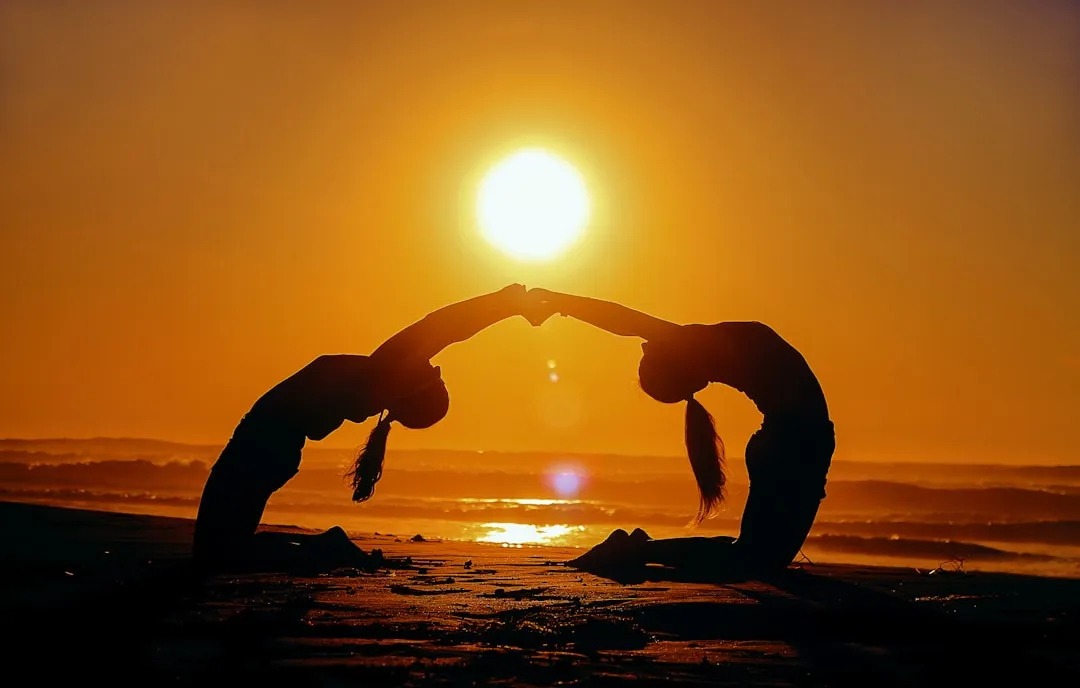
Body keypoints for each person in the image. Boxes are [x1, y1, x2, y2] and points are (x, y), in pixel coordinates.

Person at [192, 284, 548, 572]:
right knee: (222, 550)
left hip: (261, 444)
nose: (435, 369)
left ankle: (328, 549)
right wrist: (505, 307)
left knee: (218, 554)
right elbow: (450, 328)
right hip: (269, 445)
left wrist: (502, 302)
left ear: (418, 389)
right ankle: (326, 547)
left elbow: (446, 324)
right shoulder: (385, 380)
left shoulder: (392, 369)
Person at [529, 288, 835, 577]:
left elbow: (623, 321)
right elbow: (623, 319)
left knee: (752, 554)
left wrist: (562, 303)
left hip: (788, 444)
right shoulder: (696, 346)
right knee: (754, 559)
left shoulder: (698, 346)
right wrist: (560, 302)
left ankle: (637, 549)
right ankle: (633, 550)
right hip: (793, 445)